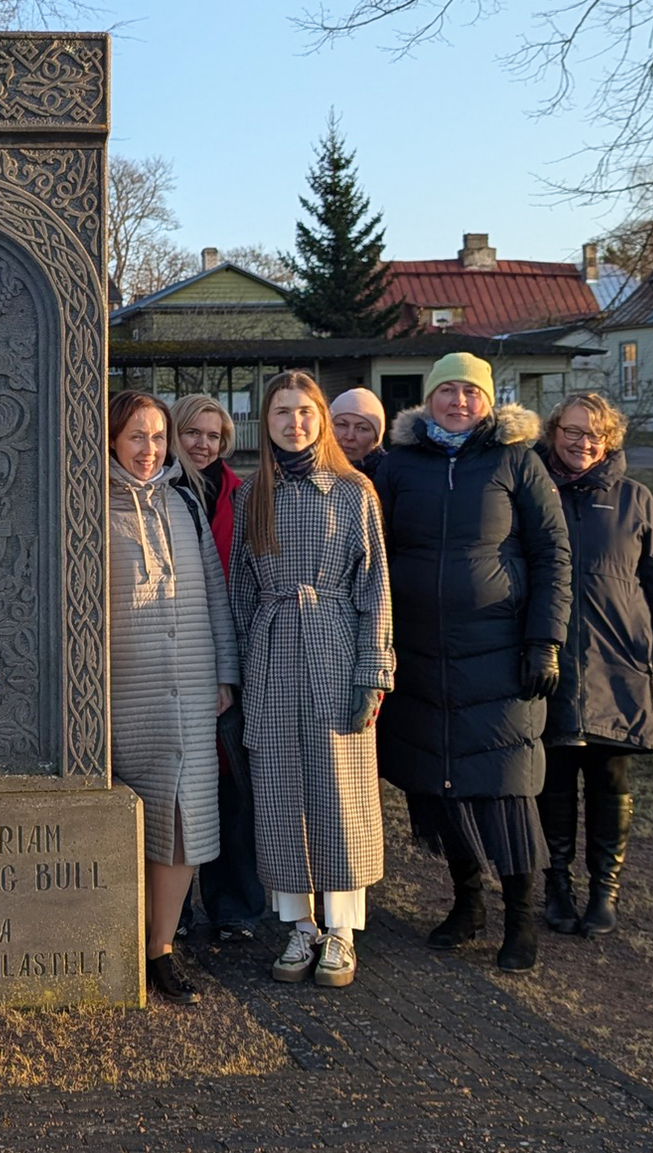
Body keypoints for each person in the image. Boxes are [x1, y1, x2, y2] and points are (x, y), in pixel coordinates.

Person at [374, 352, 570, 974]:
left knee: (505, 787)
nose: (458, 402)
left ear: (489, 400)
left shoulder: (517, 460)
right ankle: (467, 904)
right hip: (419, 653)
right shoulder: (398, 466)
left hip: (499, 652)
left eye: (470, 392)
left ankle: (520, 917)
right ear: (427, 399)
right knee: (439, 784)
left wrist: (546, 640)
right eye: (447, 392)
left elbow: (553, 556)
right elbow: (374, 547)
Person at [228, 372, 393, 988]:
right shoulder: (252, 496)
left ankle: (342, 931)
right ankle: (299, 925)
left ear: (321, 419)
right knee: (277, 787)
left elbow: (375, 587)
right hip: (272, 650)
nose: (293, 423)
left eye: (304, 412)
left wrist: (373, 672)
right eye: (281, 413)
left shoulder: (354, 492)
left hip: (332, 643)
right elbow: (240, 589)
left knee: (338, 786)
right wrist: (242, 665)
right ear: (265, 423)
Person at [536, 393, 653, 936]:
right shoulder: (533, 490)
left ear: (609, 442)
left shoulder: (633, 499)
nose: (583, 442)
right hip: (549, 660)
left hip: (617, 661)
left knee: (609, 776)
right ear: (554, 430)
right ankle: (556, 883)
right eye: (573, 430)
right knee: (552, 776)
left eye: (594, 435)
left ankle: (604, 890)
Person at [106, 390, 239, 1006]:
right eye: (137, 436)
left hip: (188, 686)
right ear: (112, 438)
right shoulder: (89, 503)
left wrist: (224, 675)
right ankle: (114, 940)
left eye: (158, 438)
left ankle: (161, 947)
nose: (150, 449)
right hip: (121, 690)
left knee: (187, 821)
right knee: (127, 821)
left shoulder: (183, 503)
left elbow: (215, 590)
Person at [168, 394, 266, 943]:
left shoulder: (243, 494)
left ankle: (234, 905)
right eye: (193, 434)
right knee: (179, 786)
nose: (203, 445)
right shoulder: (157, 492)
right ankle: (174, 906)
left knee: (233, 785)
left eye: (214, 435)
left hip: (232, 649)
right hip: (173, 653)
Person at [329, 386, 388, 478]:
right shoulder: (308, 470)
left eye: (361, 428)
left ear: (376, 439)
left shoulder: (393, 475)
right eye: (342, 425)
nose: (349, 436)